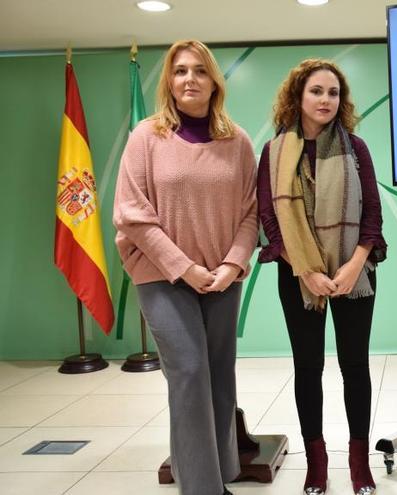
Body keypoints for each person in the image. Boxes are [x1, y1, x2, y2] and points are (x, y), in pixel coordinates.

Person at [113, 39, 258, 495]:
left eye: (199, 70)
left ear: (214, 81)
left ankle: (221, 472)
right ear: (169, 84)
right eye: (179, 71)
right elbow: (132, 215)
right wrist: (184, 268)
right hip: (162, 277)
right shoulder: (146, 137)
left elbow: (251, 212)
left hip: (222, 278)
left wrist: (233, 265)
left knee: (218, 375)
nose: (189, 79)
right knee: (190, 372)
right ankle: (203, 488)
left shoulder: (236, 141)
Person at [256, 59, 387, 495]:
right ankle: (317, 463)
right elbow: (269, 219)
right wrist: (306, 269)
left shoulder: (357, 149)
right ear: (298, 96)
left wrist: (353, 266)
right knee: (308, 367)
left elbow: (372, 215)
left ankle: (358, 462)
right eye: (316, 91)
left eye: (333, 92)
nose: (325, 100)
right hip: (298, 277)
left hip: (354, 273)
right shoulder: (274, 153)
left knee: (355, 366)